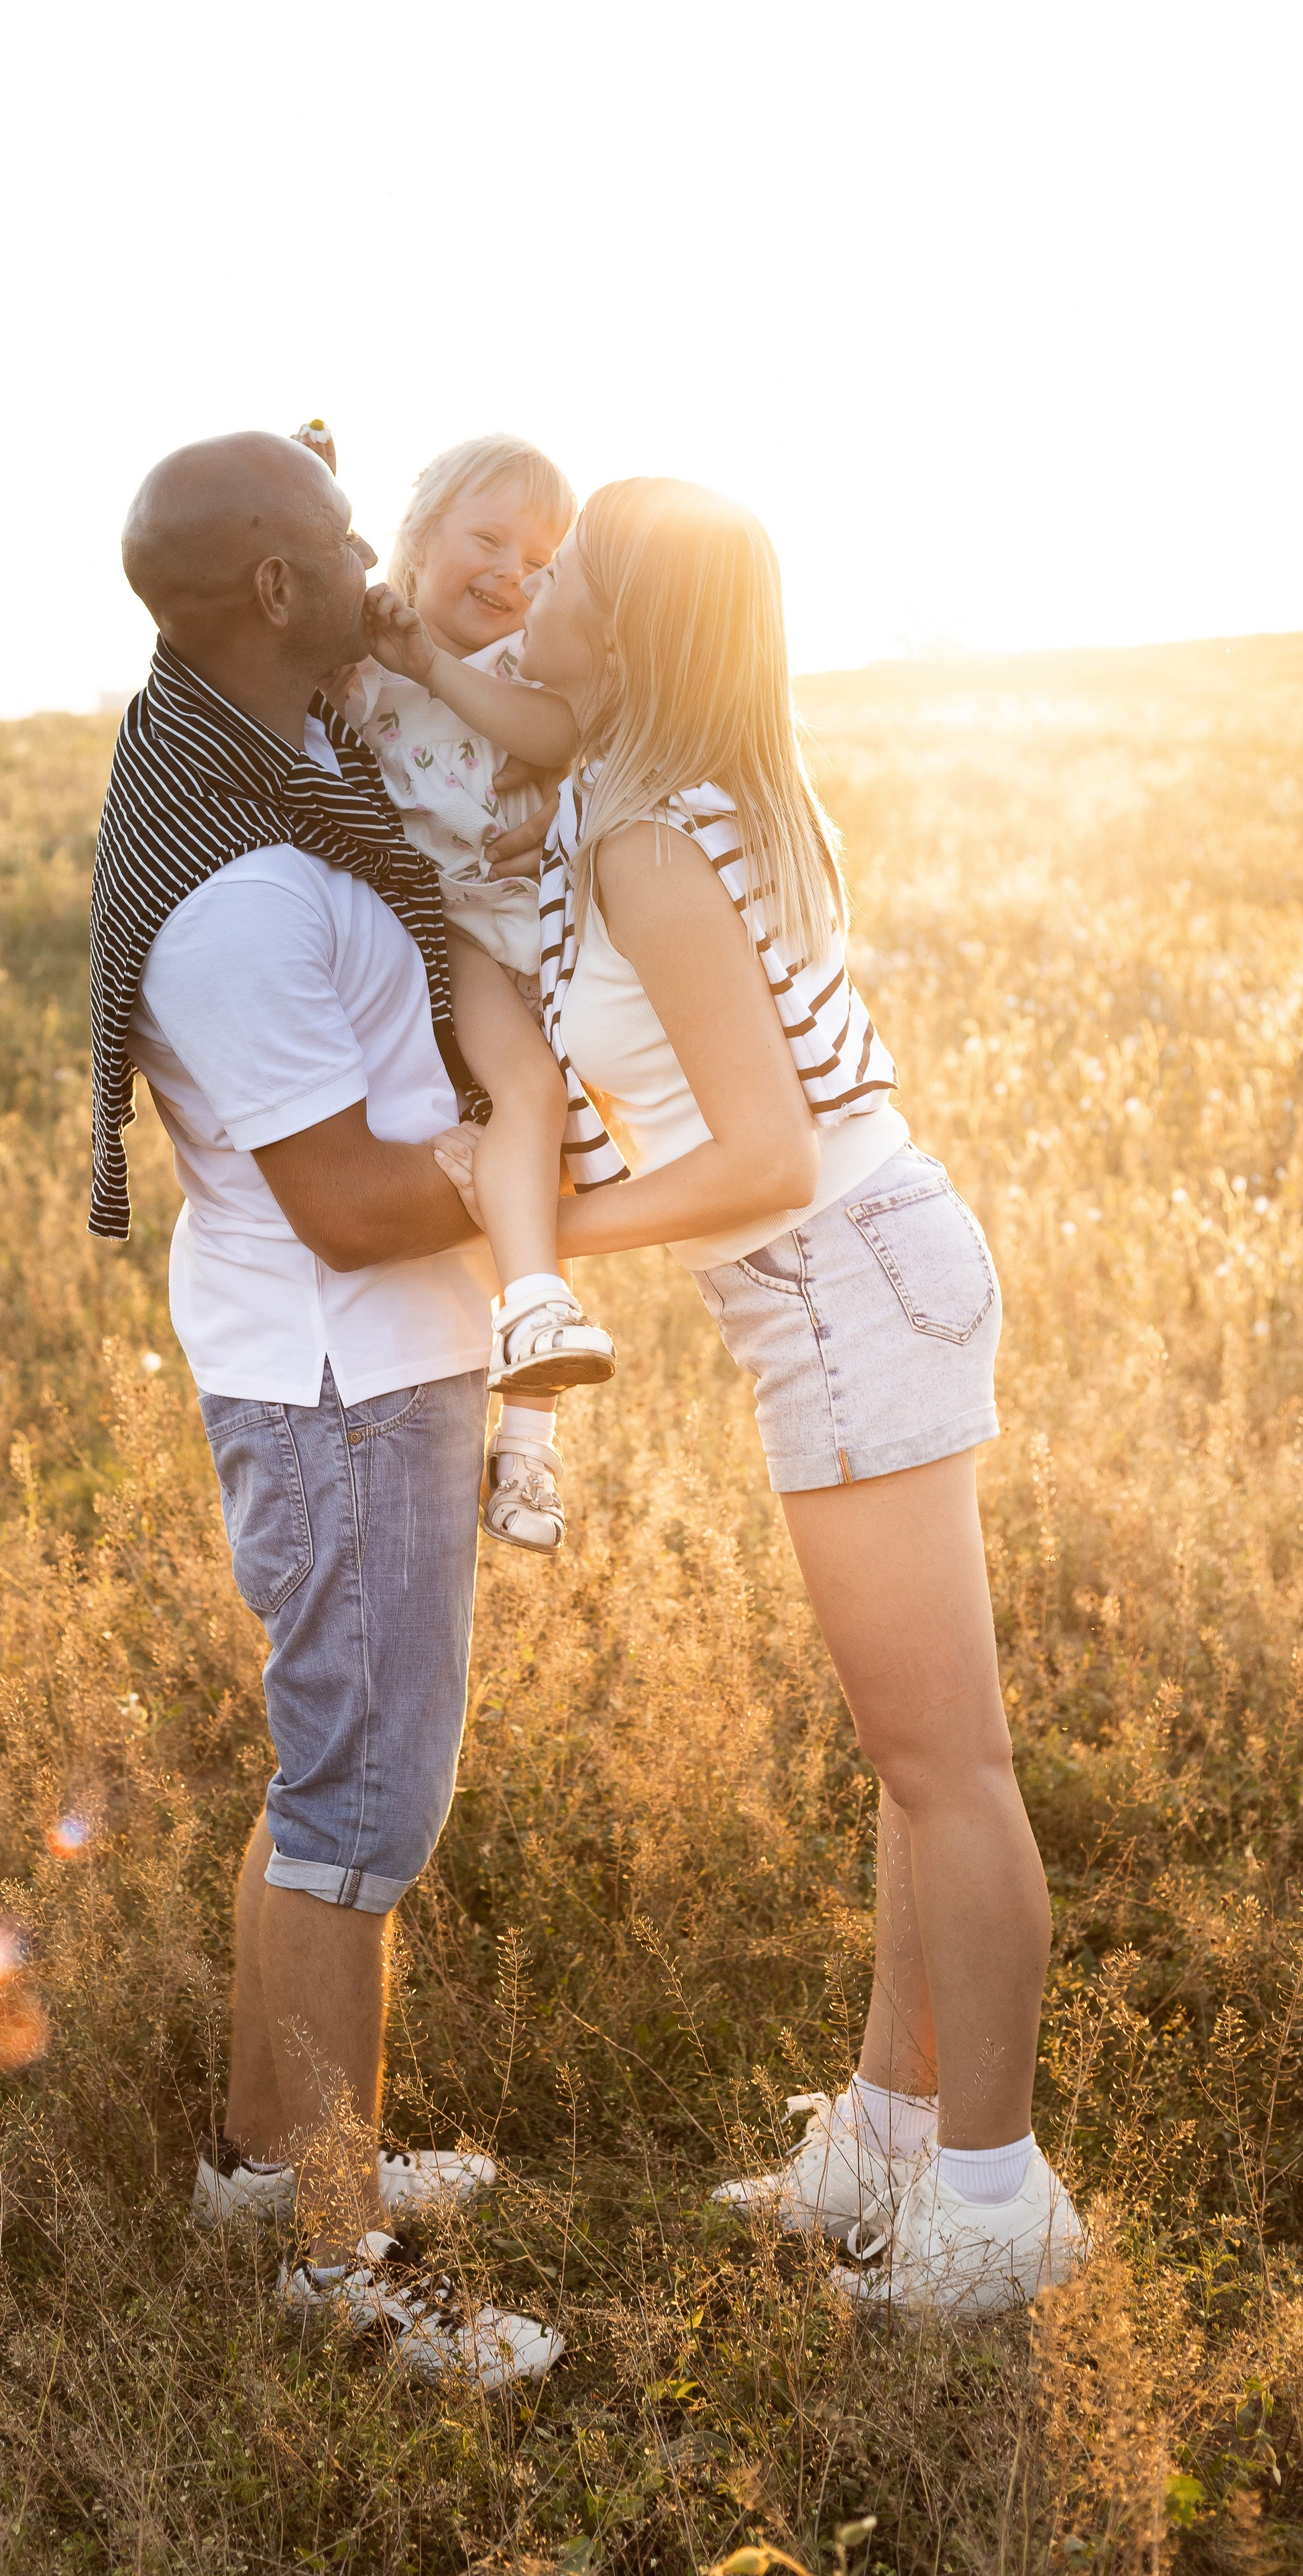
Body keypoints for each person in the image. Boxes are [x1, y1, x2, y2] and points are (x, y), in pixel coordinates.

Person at [425, 478, 1088, 2318]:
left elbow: (768, 1156)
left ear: (626, 637)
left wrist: (544, 1236)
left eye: (568, 575)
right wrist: (413, 639)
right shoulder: (641, 771)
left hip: (840, 1267)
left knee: (950, 1771)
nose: (533, 580)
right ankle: (889, 2127)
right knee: (915, 1759)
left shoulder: (642, 839)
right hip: (861, 1270)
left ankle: (995, 2196)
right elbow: (525, 706)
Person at [87, 429, 561, 2386]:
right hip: (347, 1381)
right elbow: (351, 1204)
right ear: (271, 592)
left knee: (328, 1788)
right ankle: (333, 2264)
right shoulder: (238, 893)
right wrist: (536, 1161)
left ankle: (269, 2163)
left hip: (355, 1371)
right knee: (357, 1811)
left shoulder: (279, 773)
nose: (377, 561)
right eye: (344, 540)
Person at [310, 427, 619, 1556]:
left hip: (508, 928)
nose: (514, 572)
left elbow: (562, 731)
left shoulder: (524, 661)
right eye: (487, 538)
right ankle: (531, 1320)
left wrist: (439, 671)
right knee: (515, 1126)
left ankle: (531, 1423)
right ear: (419, 537)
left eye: (543, 558)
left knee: (549, 1139)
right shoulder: (356, 650)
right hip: (418, 931)